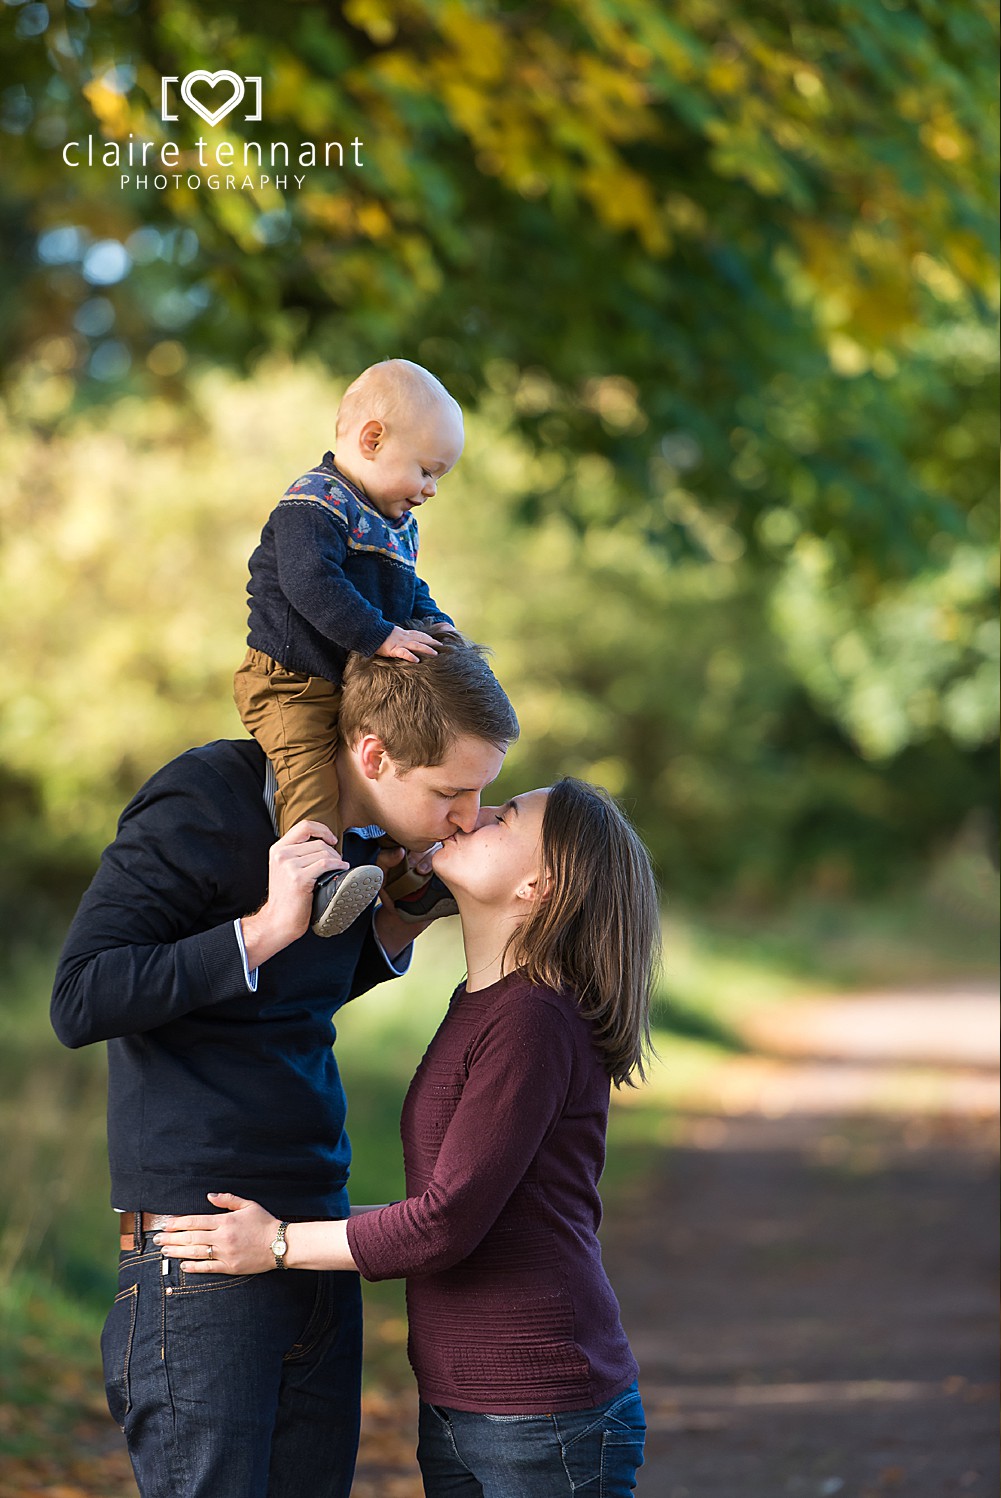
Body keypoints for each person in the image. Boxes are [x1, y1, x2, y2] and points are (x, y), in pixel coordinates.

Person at [51, 637, 517, 1498]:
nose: (468, 813)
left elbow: (285, 1006)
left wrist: (404, 920)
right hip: (200, 1253)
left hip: (308, 1238)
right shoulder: (206, 797)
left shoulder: (365, 840)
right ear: (373, 753)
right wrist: (264, 926)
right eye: (451, 791)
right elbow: (81, 998)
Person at [156, 777, 658, 1498]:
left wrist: (276, 1245)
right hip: (470, 1403)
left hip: (540, 1412)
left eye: (505, 815)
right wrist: (281, 1232)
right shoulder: (487, 1005)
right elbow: (451, 1212)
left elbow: (444, 1224)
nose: (474, 813)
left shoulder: (534, 1021)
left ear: (538, 887)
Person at [236, 357, 466, 937]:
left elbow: (410, 589)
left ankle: (409, 880)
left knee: (396, 764)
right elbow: (311, 583)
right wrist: (382, 636)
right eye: (427, 471)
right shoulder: (314, 504)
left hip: (342, 680)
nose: (432, 490)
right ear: (372, 439)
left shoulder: (395, 524)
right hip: (289, 678)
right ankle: (317, 884)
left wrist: (436, 625)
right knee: (312, 770)